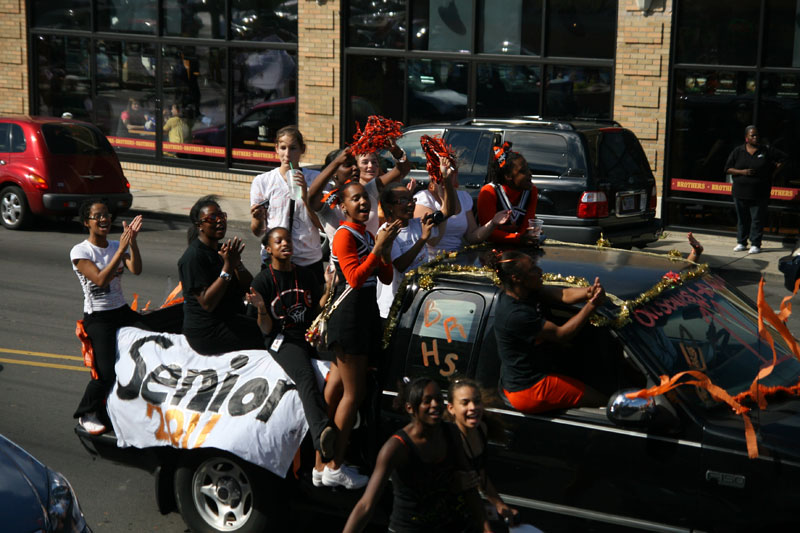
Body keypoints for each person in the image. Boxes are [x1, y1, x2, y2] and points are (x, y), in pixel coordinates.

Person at [71, 200, 182, 435]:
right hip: (98, 318)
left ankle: (135, 406)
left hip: (121, 311)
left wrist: (132, 243)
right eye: (97, 216)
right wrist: (121, 249)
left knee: (156, 341)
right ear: (86, 222)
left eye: (106, 215)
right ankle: (87, 412)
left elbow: (136, 269)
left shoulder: (115, 244)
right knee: (105, 373)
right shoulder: (81, 251)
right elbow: (100, 279)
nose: (104, 219)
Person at [320, 181, 400, 489]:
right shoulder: (344, 235)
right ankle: (335, 466)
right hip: (350, 318)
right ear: (343, 206)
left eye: (365, 198)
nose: (363, 203)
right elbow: (353, 279)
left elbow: (385, 275)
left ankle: (319, 465)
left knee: (338, 387)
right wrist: (377, 249)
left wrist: (385, 249)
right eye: (356, 199)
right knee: (353, 394)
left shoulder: (366, 234)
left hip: (362, 316)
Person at [343, 377, 482, 533]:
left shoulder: (451, 433)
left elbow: (469, 485)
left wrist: (486, 528)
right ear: (410, 408)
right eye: (427, 401)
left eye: (438, 399)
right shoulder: (396, 447)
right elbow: (366, 505)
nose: (435, 405)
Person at [247, 226, 338, 463]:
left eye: (288, 240)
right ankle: (322, 435)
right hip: (283, 340)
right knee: (306, 376)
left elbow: (316, 309)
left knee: (341, 364)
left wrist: (328, 287)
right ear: (268, 249)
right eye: (279, 242)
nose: (285, 244)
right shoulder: (263, 281)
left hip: (307, 334)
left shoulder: (306, 274)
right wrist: (260, 308)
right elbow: (265, 329)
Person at [484, 249, 606, 414]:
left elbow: (564, 294)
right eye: (533, 269)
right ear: (517, 278)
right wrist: (592, 305)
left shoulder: (527, 290)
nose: (540, 271)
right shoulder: (515, 315)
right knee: (602, 402)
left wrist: (589, 292)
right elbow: (562, 334)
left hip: (539, 370)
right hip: (528, 389)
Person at [178, 195, 263, 355]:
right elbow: (207, 303)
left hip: (230, 318)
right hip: (206, 332)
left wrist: (237, 264)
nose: (220, 221)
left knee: (269, 326)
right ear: (200, 226)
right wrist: (228, 267)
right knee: (265, 337)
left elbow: (249, 288)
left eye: (222, 216)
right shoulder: (193, 258)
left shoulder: (223, 250)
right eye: (212, 218)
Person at [375, 158, 457, 318]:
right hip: (392, 309)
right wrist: (423, 239)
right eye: (403, 200)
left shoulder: (418, 224)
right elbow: (399, 265)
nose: (411, 204)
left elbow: (448, 211)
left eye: (411, 199)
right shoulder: (385, 232)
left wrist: (446, 180)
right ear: (389, 207)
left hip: (417, 302)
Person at [250, 126, 324, 283]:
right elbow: (258, 231)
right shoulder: (262, 181)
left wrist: (305, 196)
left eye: (293, 148)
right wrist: (258, 218)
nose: (287, 154)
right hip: (275, 260)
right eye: (283, 148)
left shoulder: (315, 180)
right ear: (276, 148)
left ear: (302, 149)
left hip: (308, 260)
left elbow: (323, 226)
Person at [447, 379, 519, 532]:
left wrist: (500, 505)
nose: (473, 407)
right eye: (465, 403)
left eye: (477, 401)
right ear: (451, 408)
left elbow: (480, 476)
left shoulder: (481, 430)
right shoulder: (448, 439)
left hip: (467, 512)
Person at [414, 158, 512, 253]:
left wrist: (492, 223)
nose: (445, 178)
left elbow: (472, 236)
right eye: (440, 175)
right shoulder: (423, 199)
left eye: (449, 174)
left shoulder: (463, 197)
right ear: (432, 177)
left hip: (457, 258)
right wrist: (444, 203)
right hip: (431, 261)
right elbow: (433, 241)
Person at [725, 125, 786, 255]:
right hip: (740, 191)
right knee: (742, 219)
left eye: (757, 135)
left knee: (757, 219)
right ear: (746, 138)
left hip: (760, 192)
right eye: (752, 135)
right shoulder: (738, 151)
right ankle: (741, 242)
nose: (755, 137)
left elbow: (783, 158)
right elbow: (728, 168)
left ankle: (755, 244)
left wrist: (773, 173)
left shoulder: (766, 150)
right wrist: (743, 172)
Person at [477, 142, 540, 244]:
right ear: (508, 176)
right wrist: (518, 238)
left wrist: (530, 234)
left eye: (528, 168)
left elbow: (526, 227)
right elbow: (488, 234)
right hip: (491, 250)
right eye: (523, 171)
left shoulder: (531, 191)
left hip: (519, 247)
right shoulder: (489, 192)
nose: (530, 173)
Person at [354, 140, 412, 235]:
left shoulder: (386, 186)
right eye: (365, 162)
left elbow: (403, 169)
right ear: (355, 166)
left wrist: (396, 152)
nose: (370, 166)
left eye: (374, 162)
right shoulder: (352, 193)